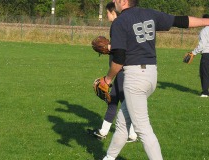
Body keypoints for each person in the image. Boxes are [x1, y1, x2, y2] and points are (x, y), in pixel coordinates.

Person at [99, 0, 209, 160]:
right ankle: (109, 157)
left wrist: (107, 79)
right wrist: (207, 21)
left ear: (124, 2)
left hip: (134, 77)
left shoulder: (120, 21)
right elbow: (181, 21)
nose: (114, 1)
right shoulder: (149, 13)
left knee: (143, 129)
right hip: (151, 74)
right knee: (123, 123)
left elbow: (119, 59)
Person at [87, 2, 138, 143]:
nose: (106, 16)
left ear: (113, 12)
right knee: (113, 101)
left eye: (107, 13)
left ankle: (133, 134)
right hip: (121, 71)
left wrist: (109, 48)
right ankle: (103, 132)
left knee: (126, 103)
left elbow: (122, 50)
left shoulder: (118, 25)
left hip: (123, 71)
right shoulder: (122, 24)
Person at [191, 14, 209, 98]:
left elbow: (202, 45)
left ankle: (205, 93)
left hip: (207, 54)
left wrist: (194, 53)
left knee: (204, 73)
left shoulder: (204, 30)